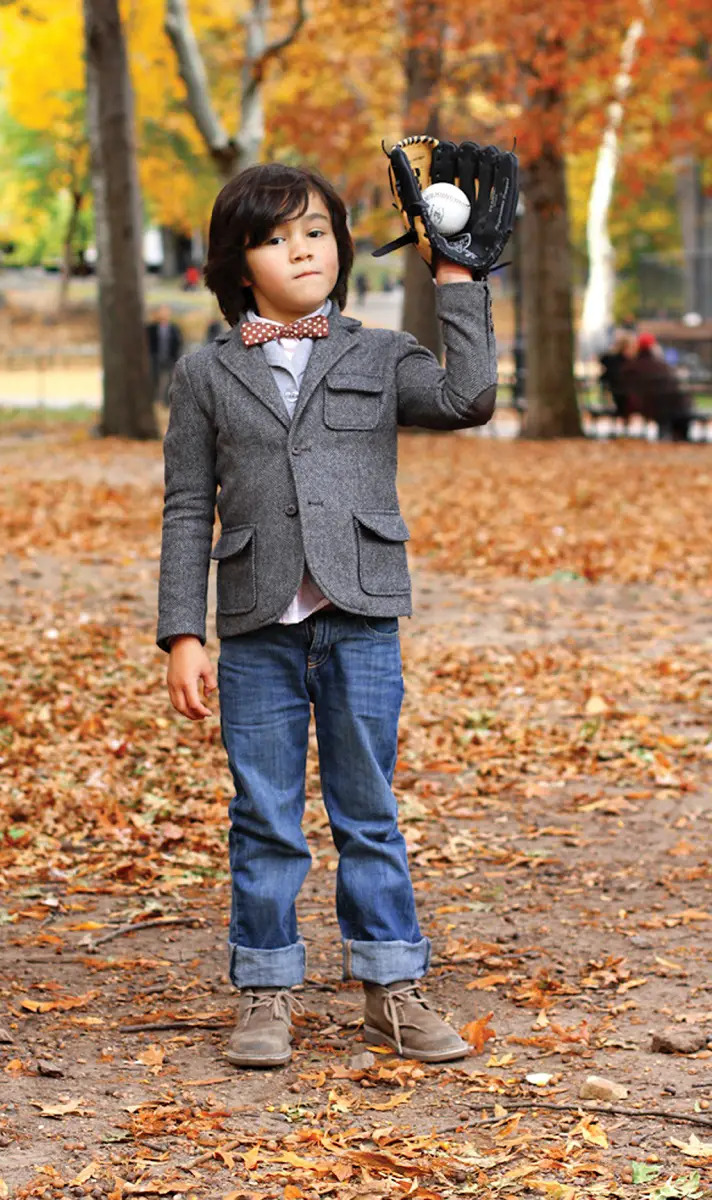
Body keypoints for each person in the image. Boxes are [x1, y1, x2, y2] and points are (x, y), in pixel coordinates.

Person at [156, 162, 497, 1070]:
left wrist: (457, 278)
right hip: (257, 625)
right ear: (239, 265)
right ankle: (265, 991)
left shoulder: (379, 353)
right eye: (275, 238)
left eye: (315, 230)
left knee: (367, 810)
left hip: (361, 615)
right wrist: (182, 631)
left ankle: (390, 989)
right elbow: (189, 505)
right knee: (264, 814)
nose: (300, 248)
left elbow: (470, 399)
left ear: (343, 245)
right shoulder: (204, 374)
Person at [622, 332, 692, 442]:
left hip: (645, 405)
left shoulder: (632, 365)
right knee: (680, 409)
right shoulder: (661, 365)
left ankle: (672, 436)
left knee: (674, 408)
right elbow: (674, 386)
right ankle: (679, 438)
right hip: (662, 407)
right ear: (652, 347)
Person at [146, 306, 183, 406]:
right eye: (162, 312)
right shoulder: (151, 328)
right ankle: (153, 401)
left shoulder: (174, 328)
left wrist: (176, 357)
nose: (164, 314)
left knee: (170, 381)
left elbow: (179, 342)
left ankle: (166, 402)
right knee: (155, 380)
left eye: (166, 312)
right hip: (155, 358)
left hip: (170, 358)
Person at [598, 332, 635, 432]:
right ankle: (625, 425)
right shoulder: (628, 362)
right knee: (627, 398)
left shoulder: (610, 359)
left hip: (612, 395)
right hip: (620, 396)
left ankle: (622, 424)